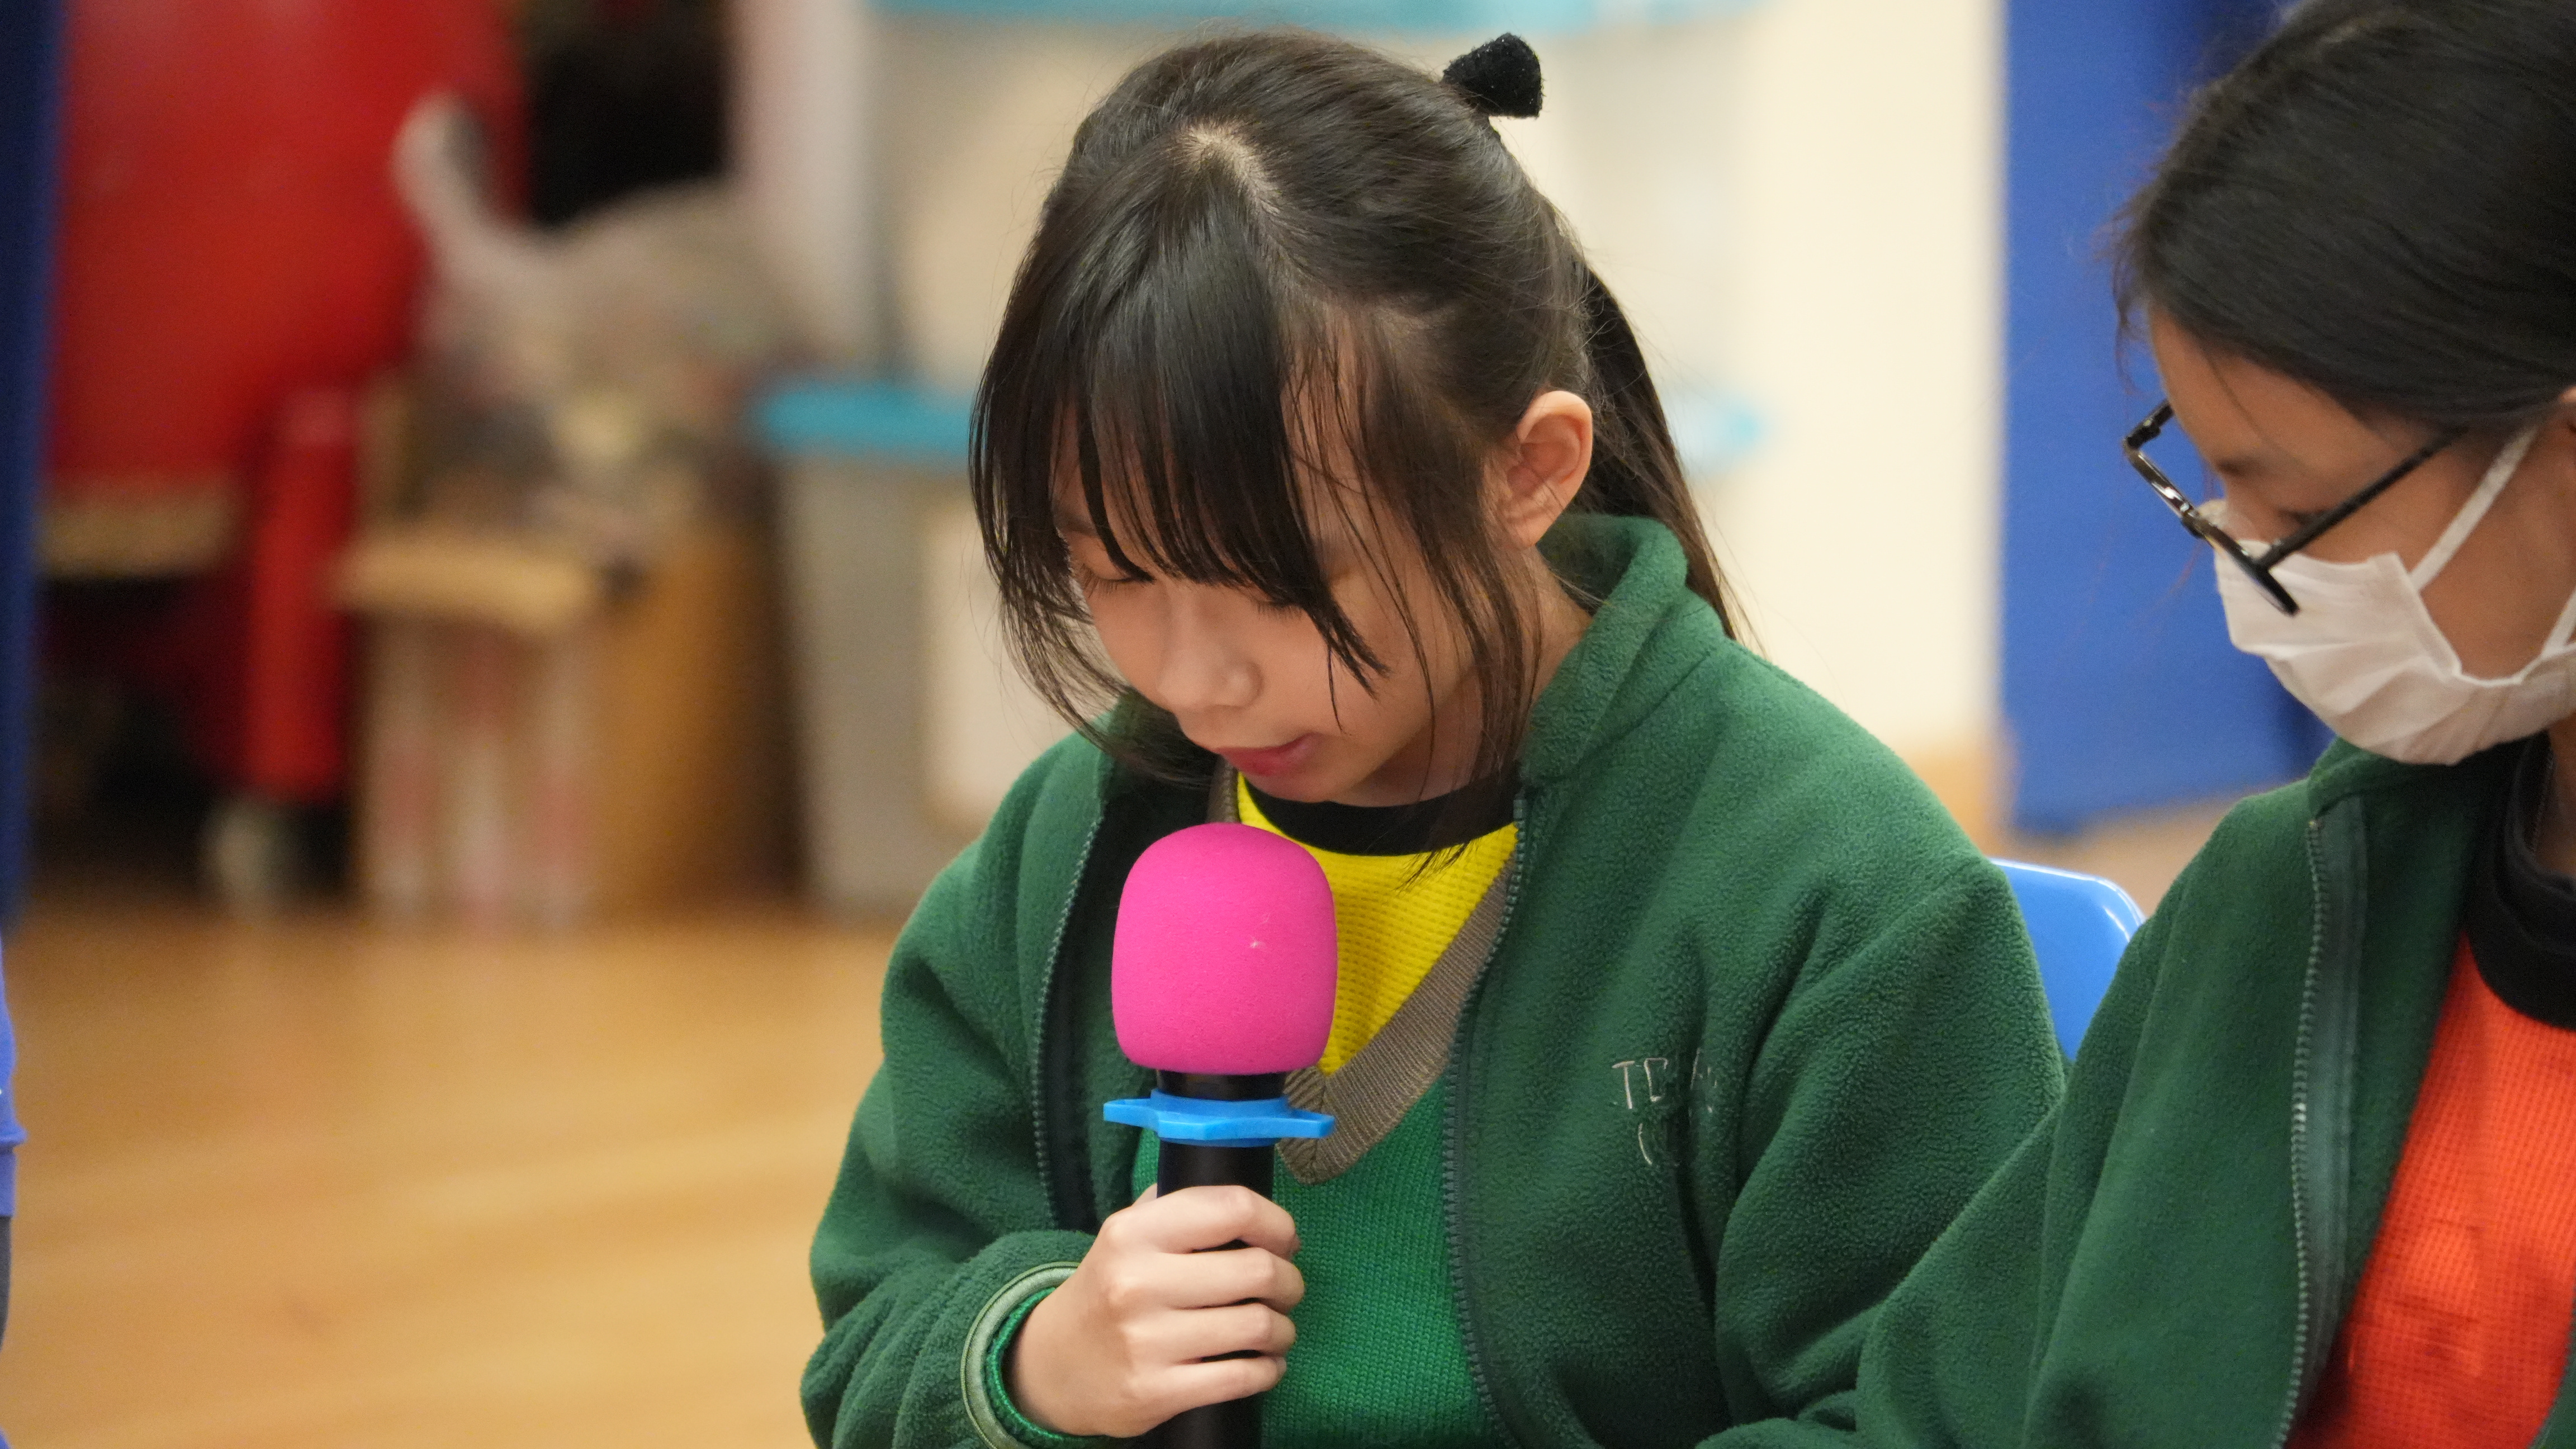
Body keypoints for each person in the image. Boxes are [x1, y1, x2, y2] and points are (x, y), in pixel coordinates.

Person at [803, 29, 2062, 1449]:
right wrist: (1033, 1359)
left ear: (1528, 471)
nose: (1195, 680)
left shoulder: (1829, 888)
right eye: (1116, 572)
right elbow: (877, 1332)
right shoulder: (1069, 847)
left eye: (1282, 584)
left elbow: (1939, 1411)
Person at [1856, 2, 2576, 1445]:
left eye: (2299, 507)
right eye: (2216, 488)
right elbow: (1942, 1408)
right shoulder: (2289, 897)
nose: (2248, 561)